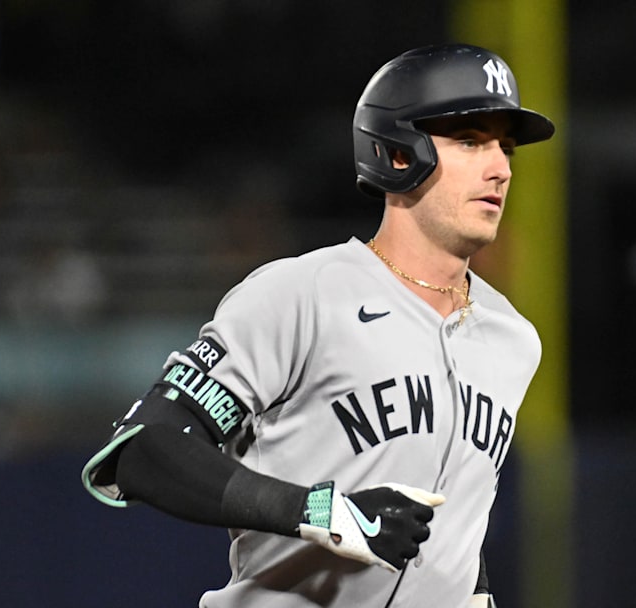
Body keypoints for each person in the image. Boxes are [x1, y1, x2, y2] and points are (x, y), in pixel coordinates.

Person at [81, 42, 555, 608]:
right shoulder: (302, 295)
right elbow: (145, 450)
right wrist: (322, 511)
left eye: (505, 147)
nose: (500, 168)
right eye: (470, 141)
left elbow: (451, 520)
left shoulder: (513, 339)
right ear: (399, 154)